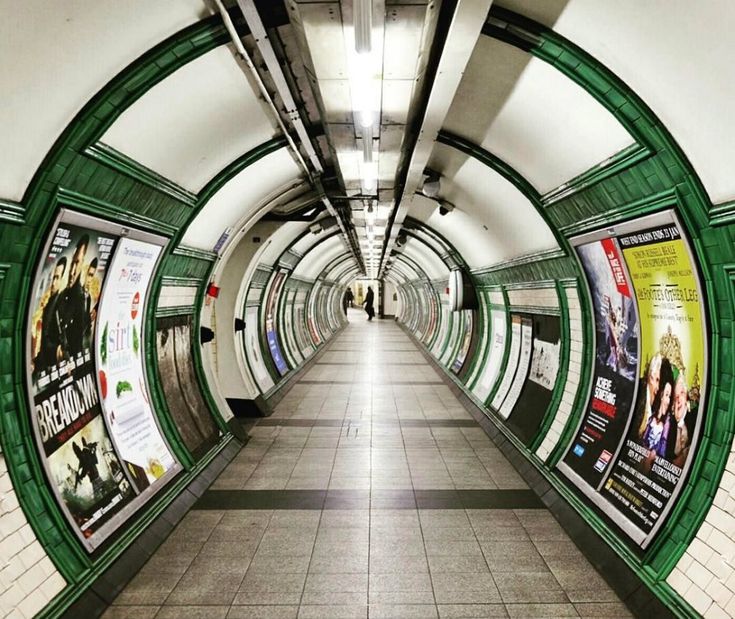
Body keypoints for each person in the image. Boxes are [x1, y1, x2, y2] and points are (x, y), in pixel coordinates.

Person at [57, 234, 89, 361]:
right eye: (72, 264)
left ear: (83, 264)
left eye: (77, 263)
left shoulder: (80, 299)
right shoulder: (63, 295)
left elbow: (78, 342)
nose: (72, 271)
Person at [35, 256, 67, 374]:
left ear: (62, 279)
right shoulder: (49, 303)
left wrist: (58, 350)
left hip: (51, 367)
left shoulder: (60, 303)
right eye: (53, 278)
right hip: (44, 364)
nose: (53, 283)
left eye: (57, 278)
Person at [633, 353, 663, 441]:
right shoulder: (639, 389)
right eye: (657, 380)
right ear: (650, 377)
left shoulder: (658, 402)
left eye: (660, 382)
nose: (658, 386)